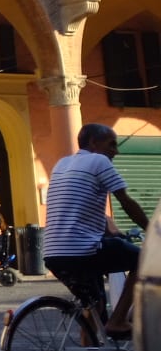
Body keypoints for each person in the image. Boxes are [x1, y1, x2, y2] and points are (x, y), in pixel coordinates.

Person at [45, 123, 149, 339]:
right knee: (144, 259)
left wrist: (111, 232)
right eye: (112, 144)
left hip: (54, 254)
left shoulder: (61, 164)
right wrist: (152, 230)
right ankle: (119, 321)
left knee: (94, 309)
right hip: (83, 251)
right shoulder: (99, 160)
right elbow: (126, 202)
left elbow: (79, 206)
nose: (116, 151)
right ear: (93, 142)